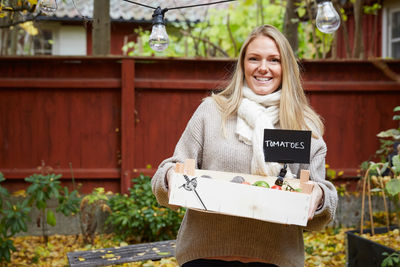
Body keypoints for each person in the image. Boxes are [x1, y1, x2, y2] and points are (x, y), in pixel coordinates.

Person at [152, 24, 338, 267]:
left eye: (274, 60)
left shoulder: (304, 124)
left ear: (286, 68)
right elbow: (168, 172)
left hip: (275, 259)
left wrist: (320, 196)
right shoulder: (212, 111)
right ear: (242, 65)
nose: (263, 67)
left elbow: (319, 210)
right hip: (206, 257)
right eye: (254, 58)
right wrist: (169, 176)